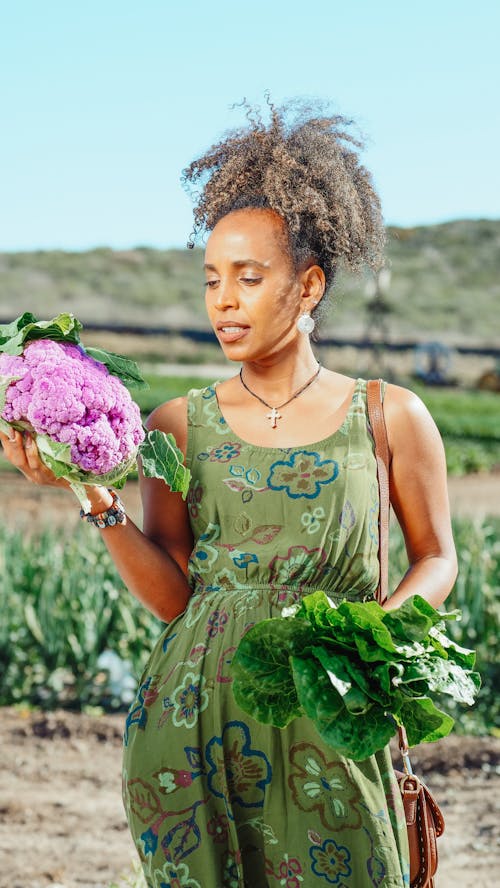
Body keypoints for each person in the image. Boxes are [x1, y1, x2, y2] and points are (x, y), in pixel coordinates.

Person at [0, 100, 458, 888]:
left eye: (250, 277)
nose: (224, 299)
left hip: (333, 717)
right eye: (212, 279)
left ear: (308, 285)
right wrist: (92, 494)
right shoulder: (177, 425)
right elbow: (178, 599)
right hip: (193, 722)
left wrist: (368, 641)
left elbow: (437, 558)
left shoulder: (388, 414)